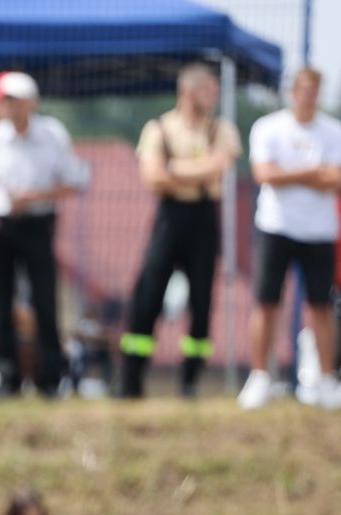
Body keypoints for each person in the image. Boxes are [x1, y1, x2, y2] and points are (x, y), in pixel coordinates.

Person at [117, 64, 240, 400]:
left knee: (202, 302)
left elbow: (219, 166)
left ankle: (190, 379)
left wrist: (173, 169)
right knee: (148, 297)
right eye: (208, 91)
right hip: (169, 219)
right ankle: (131, 380)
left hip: (203, 220)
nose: (213, 98)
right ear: (188, 91)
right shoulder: (158, 128)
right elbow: (152, 177)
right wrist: (196, 171)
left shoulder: (221, 129)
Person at [0, 71, 87, 397]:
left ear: (26, 103)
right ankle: (7, 377)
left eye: (6, 100)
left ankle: (51, 377)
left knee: (45, 301)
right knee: (0, 303)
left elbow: (73, 181)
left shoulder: (52, 135)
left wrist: (32, 197)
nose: (0, 106)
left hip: (37, 225)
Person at [241, 68, 341, 410]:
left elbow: (337, 179)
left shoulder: (334, 132)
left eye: (314, 90)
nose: (308, 96)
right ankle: (260, 377)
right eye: (303, 90)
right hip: (277, 226)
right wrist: (312, 172)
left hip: (319, 230)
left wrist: (289, 173)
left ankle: (327, 380)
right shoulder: (268, 127)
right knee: (266, 302)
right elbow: (264, 174)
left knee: (321, 306)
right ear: (293, 92)